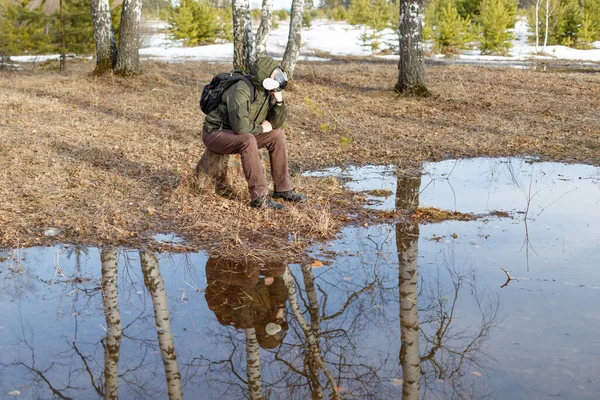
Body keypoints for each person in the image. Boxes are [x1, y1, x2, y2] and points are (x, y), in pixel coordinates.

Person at [202, 56, 306, 210]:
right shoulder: (241, 89)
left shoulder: (266, 91)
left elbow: (275, 124)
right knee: (248, 139)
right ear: (264, 75)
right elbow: (240, 128)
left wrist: (279, 102)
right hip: (215, 134)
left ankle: (283, 189)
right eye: (274, 74)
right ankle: (259, 197)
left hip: (237, 134)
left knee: (277, 135)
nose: (278, 78)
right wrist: (262, 129)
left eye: (279, 74)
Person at [205, 258, 289, 349]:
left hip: (220, 271)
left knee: (251, 279)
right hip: (243, 271)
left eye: (276, 334)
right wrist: (281, 307)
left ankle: (248, 252)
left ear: (266, 333)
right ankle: (250, 255)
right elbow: (279, 283)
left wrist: (263, 282)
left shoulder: (245, 319)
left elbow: (244, 290)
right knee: (279, 269)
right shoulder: (270, 313)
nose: (279, 330)